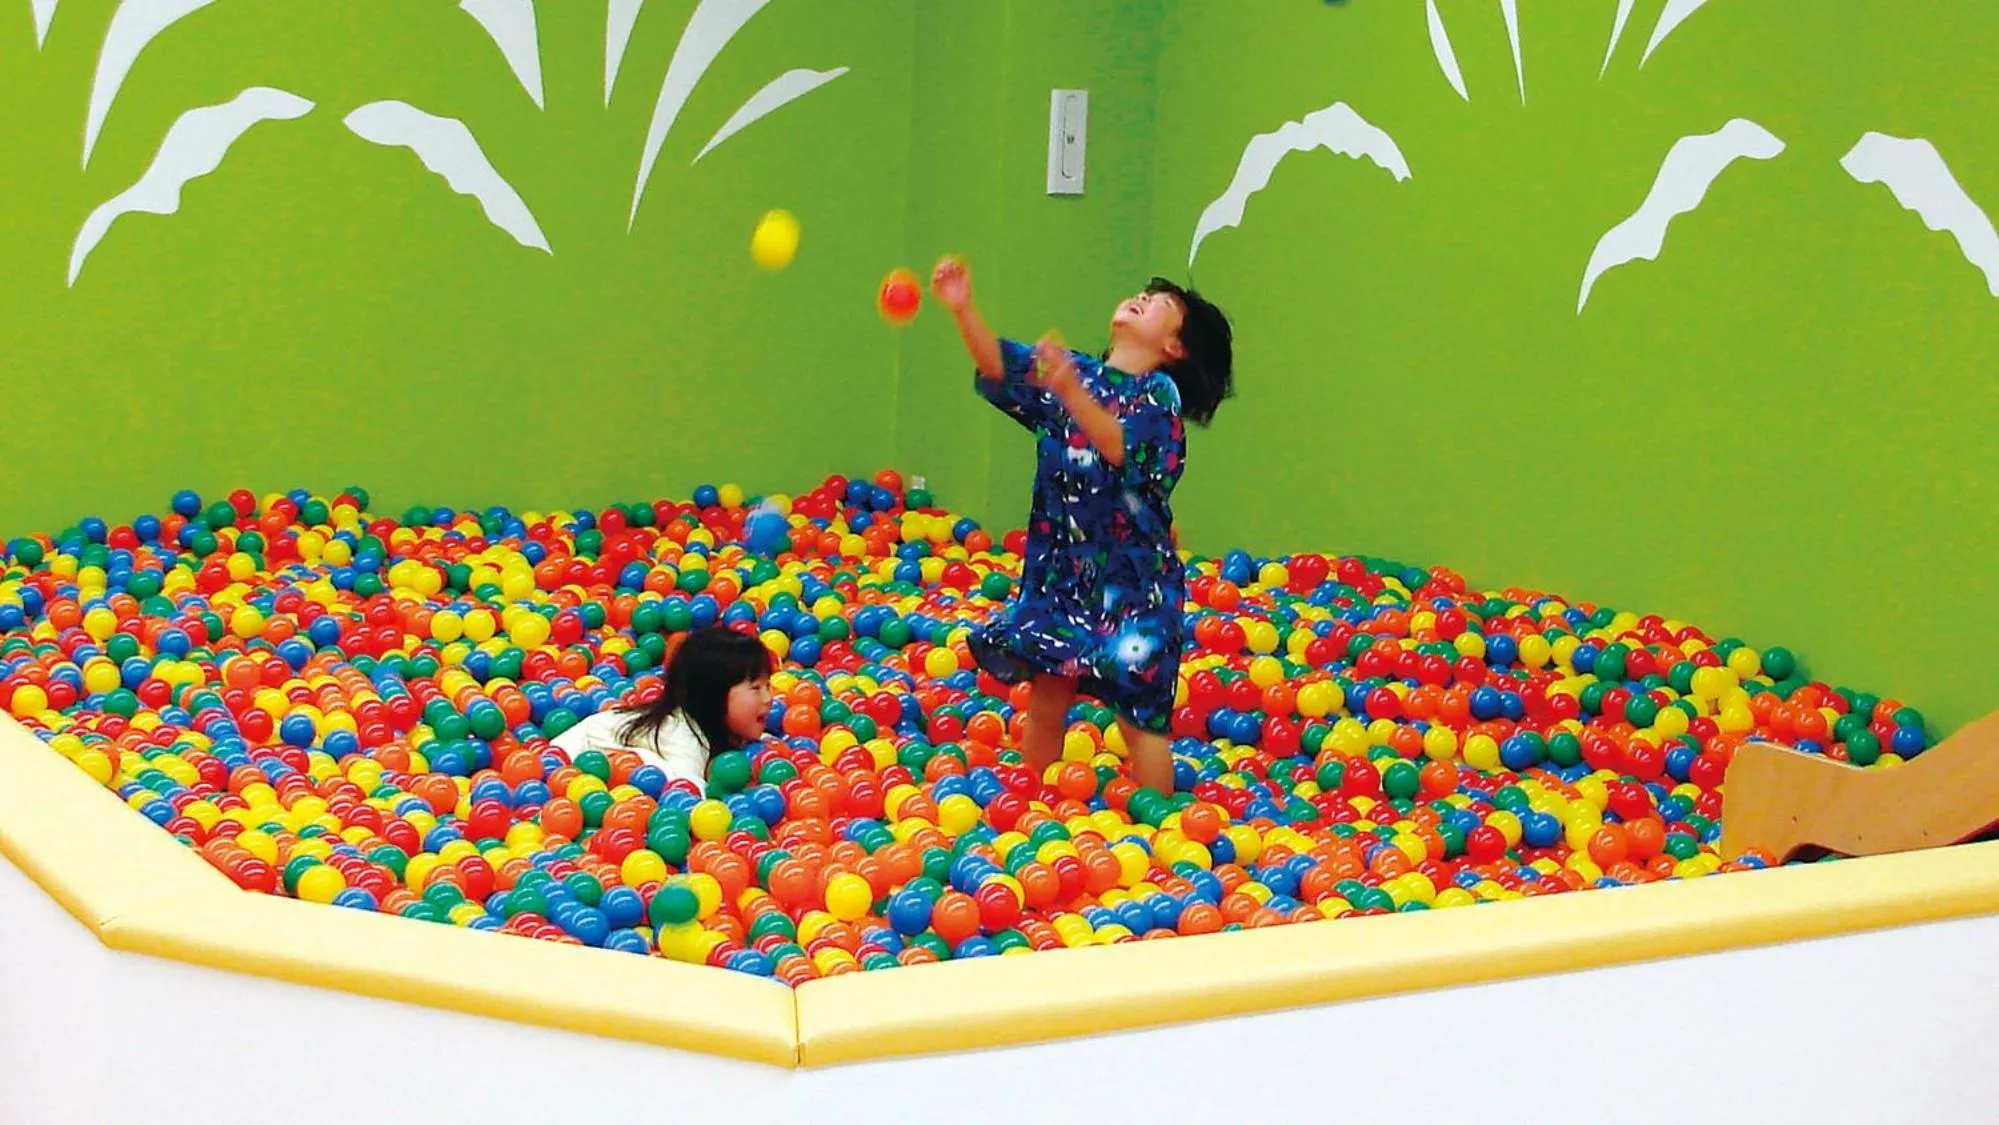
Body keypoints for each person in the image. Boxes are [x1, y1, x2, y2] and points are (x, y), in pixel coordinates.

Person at [930, 255, 1234, 794]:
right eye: (1143, 293)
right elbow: (998, 367)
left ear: (1175, 346)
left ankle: (1160, 821)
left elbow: (1120, 447)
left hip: (1134, 586)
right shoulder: (1075, 372)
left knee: (1139, 717)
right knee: (1048, 695)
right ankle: (1030, 803)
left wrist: (1072, 392)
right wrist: (962, 309)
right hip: (1063, 576)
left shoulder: (1156, 396)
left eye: (1158, 304)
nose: (1140, 299)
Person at [551, 625, 774, 792]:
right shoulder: (681, 736)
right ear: (713, 696)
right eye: (756, 688)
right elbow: (688, 794)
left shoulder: (721, 730)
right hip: (564, 759)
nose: (768, 698)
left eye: (768, 685)